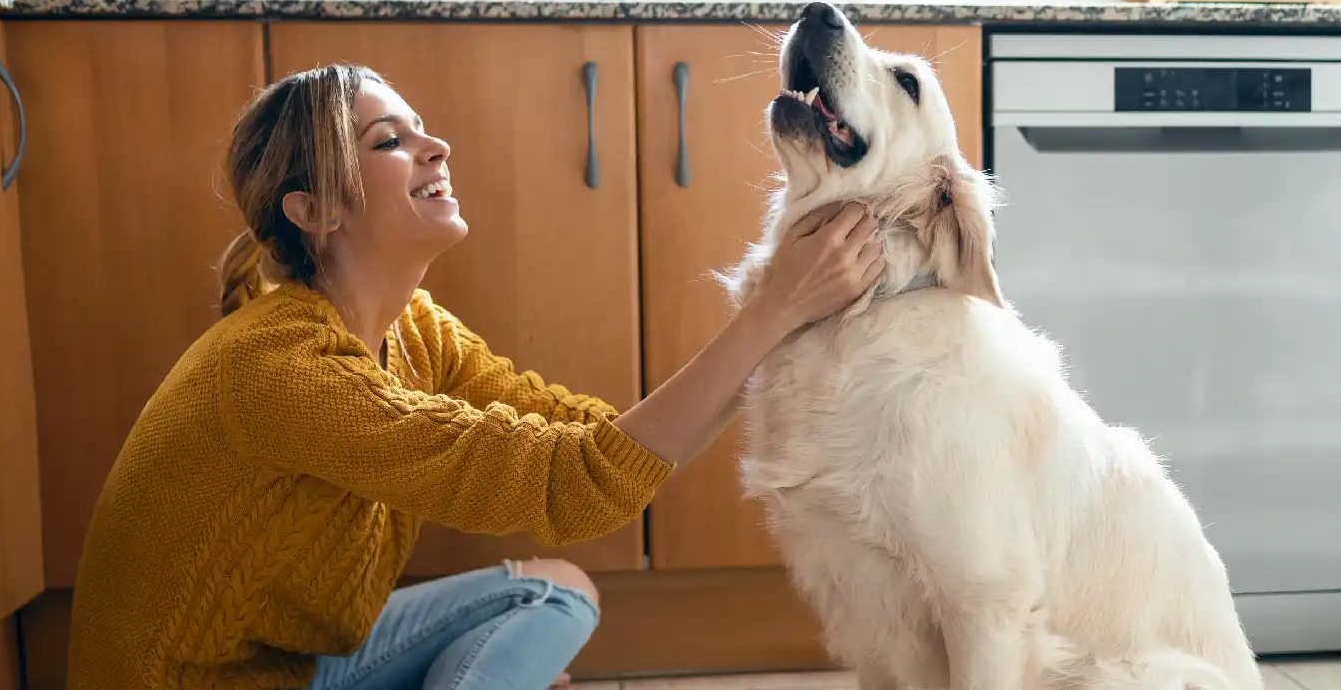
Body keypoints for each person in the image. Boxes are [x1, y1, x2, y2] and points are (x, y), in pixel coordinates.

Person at [63, 63, 884, 690]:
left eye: (420, 129)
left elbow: (598, 447)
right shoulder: (283, 372)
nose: (437, 148)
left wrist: (780, 321)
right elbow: (577, 484)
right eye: (389, 141)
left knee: (557, 594)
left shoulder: (414, 328)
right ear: (314, 210)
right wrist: (770, 311)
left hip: (294, 665)